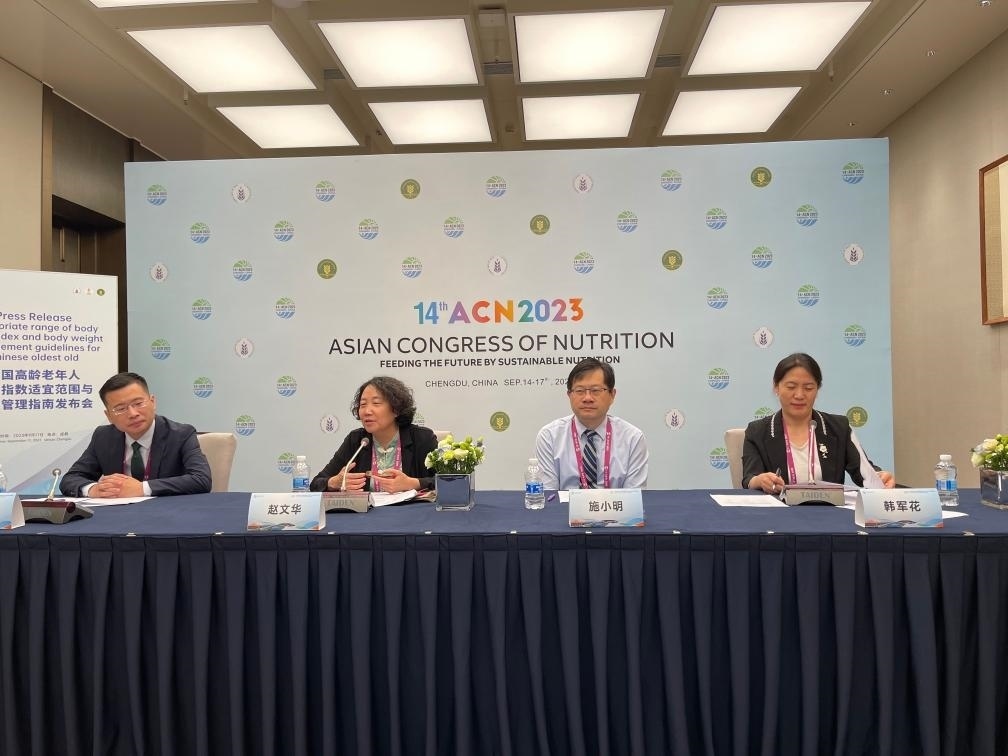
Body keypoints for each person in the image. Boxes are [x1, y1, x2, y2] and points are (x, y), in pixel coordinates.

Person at [742, 352, 895, 493]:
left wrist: (880, 476)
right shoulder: (757, 431)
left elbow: (864, 472)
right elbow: (749, 478)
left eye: (808, 388)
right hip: (779, 510)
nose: (799, 395)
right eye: (791, 387)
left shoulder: (839, 428)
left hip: (829, 511)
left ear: (817, 389)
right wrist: (760, 480)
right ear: (776, 387)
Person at [60, 372, 212, 497]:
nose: (133, 414)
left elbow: (201, 480)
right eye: (121, 409)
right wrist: (93, 489)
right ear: (109, 416)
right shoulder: (103, 437)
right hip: (117, 515)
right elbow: (70, 479)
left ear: (153, 402)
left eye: (139, 403)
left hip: (168, 514)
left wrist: (142, 488)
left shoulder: (181, 434)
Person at [534, 357, 648, 490]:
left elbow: (633, 497)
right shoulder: (549, 437)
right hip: (564, 504)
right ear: (569, 395)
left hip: (617, 505)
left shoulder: (633, 438)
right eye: (580, 391)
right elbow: (549, 496)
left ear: (612, 395)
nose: (587, 398)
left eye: (596, 390)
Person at [311, 376, 437, 494]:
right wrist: (334, 483)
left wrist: (413, 483)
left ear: (396, 409)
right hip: (368, 510)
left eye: (376, 403)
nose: (367, 411)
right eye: (363, 405)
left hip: (410, 509)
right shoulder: (356, 440)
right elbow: (316, 483)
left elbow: (445, 481)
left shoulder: (422, 438)